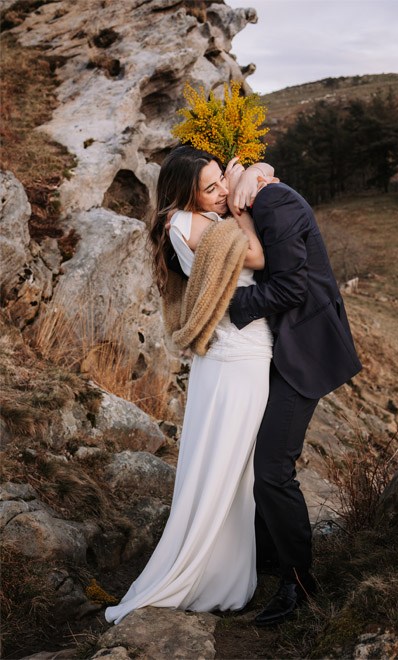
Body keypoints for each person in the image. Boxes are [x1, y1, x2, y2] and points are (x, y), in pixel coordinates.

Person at [105, 145, 274, 624]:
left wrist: (253, 171)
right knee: (225, 465)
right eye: (212, 188)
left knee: (228, 465)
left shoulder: (185, 221)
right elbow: (257, 257)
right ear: (187, 193)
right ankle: (202, 575)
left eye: (223, 181)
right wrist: (243, 209)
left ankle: (223, 573)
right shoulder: (195, 225)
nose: (222, 193)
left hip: (233, 354)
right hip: (236, 356)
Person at [227, 174, 362, 626]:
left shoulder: (274, 202)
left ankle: (299, 582)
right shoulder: (248, 201)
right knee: (254, 459)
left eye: (217, 180)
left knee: (271, 471)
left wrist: (223, 301)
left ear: (235, 167)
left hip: (301, 352)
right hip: (267, 352)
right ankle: (267, 558)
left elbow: (291, 289)